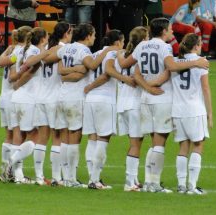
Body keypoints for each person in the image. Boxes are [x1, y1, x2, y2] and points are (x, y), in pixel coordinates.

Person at [118, 17, 209, 193]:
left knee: (153, 142)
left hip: (145, 100)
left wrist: (147, 87)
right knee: (159, 143)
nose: (172, 32)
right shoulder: (164, 47)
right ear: (163, 31)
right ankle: (154, 183)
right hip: (162, 99)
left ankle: (149, 182)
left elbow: (129, 67)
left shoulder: (141, 46)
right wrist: (196, 62)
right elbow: (172, 66)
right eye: (170, 29)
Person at [56, 23, 115, 187]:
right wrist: (106, 51)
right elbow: (93, 66)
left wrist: (71, 71)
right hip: (75, 97)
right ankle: (71, 179)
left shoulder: (66, 48)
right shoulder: (83, 51)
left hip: (62, 96)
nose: (95, 37)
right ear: (88, 35)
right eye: (94, 34)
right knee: (74, 138)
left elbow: (60, 69)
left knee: (65, 138)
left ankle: (65, 176)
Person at [23, 22, 73, 186]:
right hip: (55, 98)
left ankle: (39, 177)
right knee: (58, 137)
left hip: (41, 97)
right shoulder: (62, 49)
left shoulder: (45, 49)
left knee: (42, 138)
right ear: (66, 33)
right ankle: (57, 178)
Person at [82, 30, 125, 190]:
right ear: (118, 42)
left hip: (90, 101)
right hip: (105, 99)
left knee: (92, 138)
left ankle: (92, 177)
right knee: (103, 139)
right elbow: (107, 75)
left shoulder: (96, 53)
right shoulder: (114, 53)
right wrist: (90, 86)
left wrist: (89, 89)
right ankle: (95, 179)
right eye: (123, 41)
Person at [108, 26, 149, 191]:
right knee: (136, 144)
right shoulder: (138, 57)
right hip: (135, 104)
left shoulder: (122, 55)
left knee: (134, 142)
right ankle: (129, 182)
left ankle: (134, 179)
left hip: (122, 104)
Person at [171, 33, 212, 194]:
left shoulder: (175, 62)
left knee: (183, 147)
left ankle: (181, 185)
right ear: (195, 46)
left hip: (178, 111)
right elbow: (206, 88)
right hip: (195, 110)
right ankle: (192, 186)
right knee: (198, 145)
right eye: (200, 43)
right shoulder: (201, 62)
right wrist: (210, 113)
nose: (201, 46)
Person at [7, 27, 48, 184]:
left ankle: (18, 176)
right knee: (34, 136)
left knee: (18, 135)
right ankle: (11, 162)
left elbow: (11, 63)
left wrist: (16, 83)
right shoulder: (35, 51)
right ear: (43, 38)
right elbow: (30, 68)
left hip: (16, 99)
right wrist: (19, 83)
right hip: (28, 98)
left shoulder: (19, 50)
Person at [0, 29, 19, 182]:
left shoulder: (9, 52)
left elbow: (0, 61)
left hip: (3, 98)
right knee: (17, 136)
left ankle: (4, 169)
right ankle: (11, 170)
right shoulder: (17, 54)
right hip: (12, 99)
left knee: (8, 136)